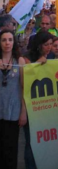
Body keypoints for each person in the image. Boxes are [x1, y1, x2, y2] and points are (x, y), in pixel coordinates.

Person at [24, 31, 55, 169]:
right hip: (31, 106)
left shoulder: (53, 56)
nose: (49, 47)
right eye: (46, 44)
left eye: (51, 44)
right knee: (31, 142)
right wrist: (37, 64)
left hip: (47, 106)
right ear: (38, 45)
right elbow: (24, 81)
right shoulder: (26, 58)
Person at [0, 30, 26, 169]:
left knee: (11, 148)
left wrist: (23, 111)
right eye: (4, 40)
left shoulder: (19, 61)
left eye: (10, 40)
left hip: (13, 110)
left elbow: (23, 87)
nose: (7, 43)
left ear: (14, 42)